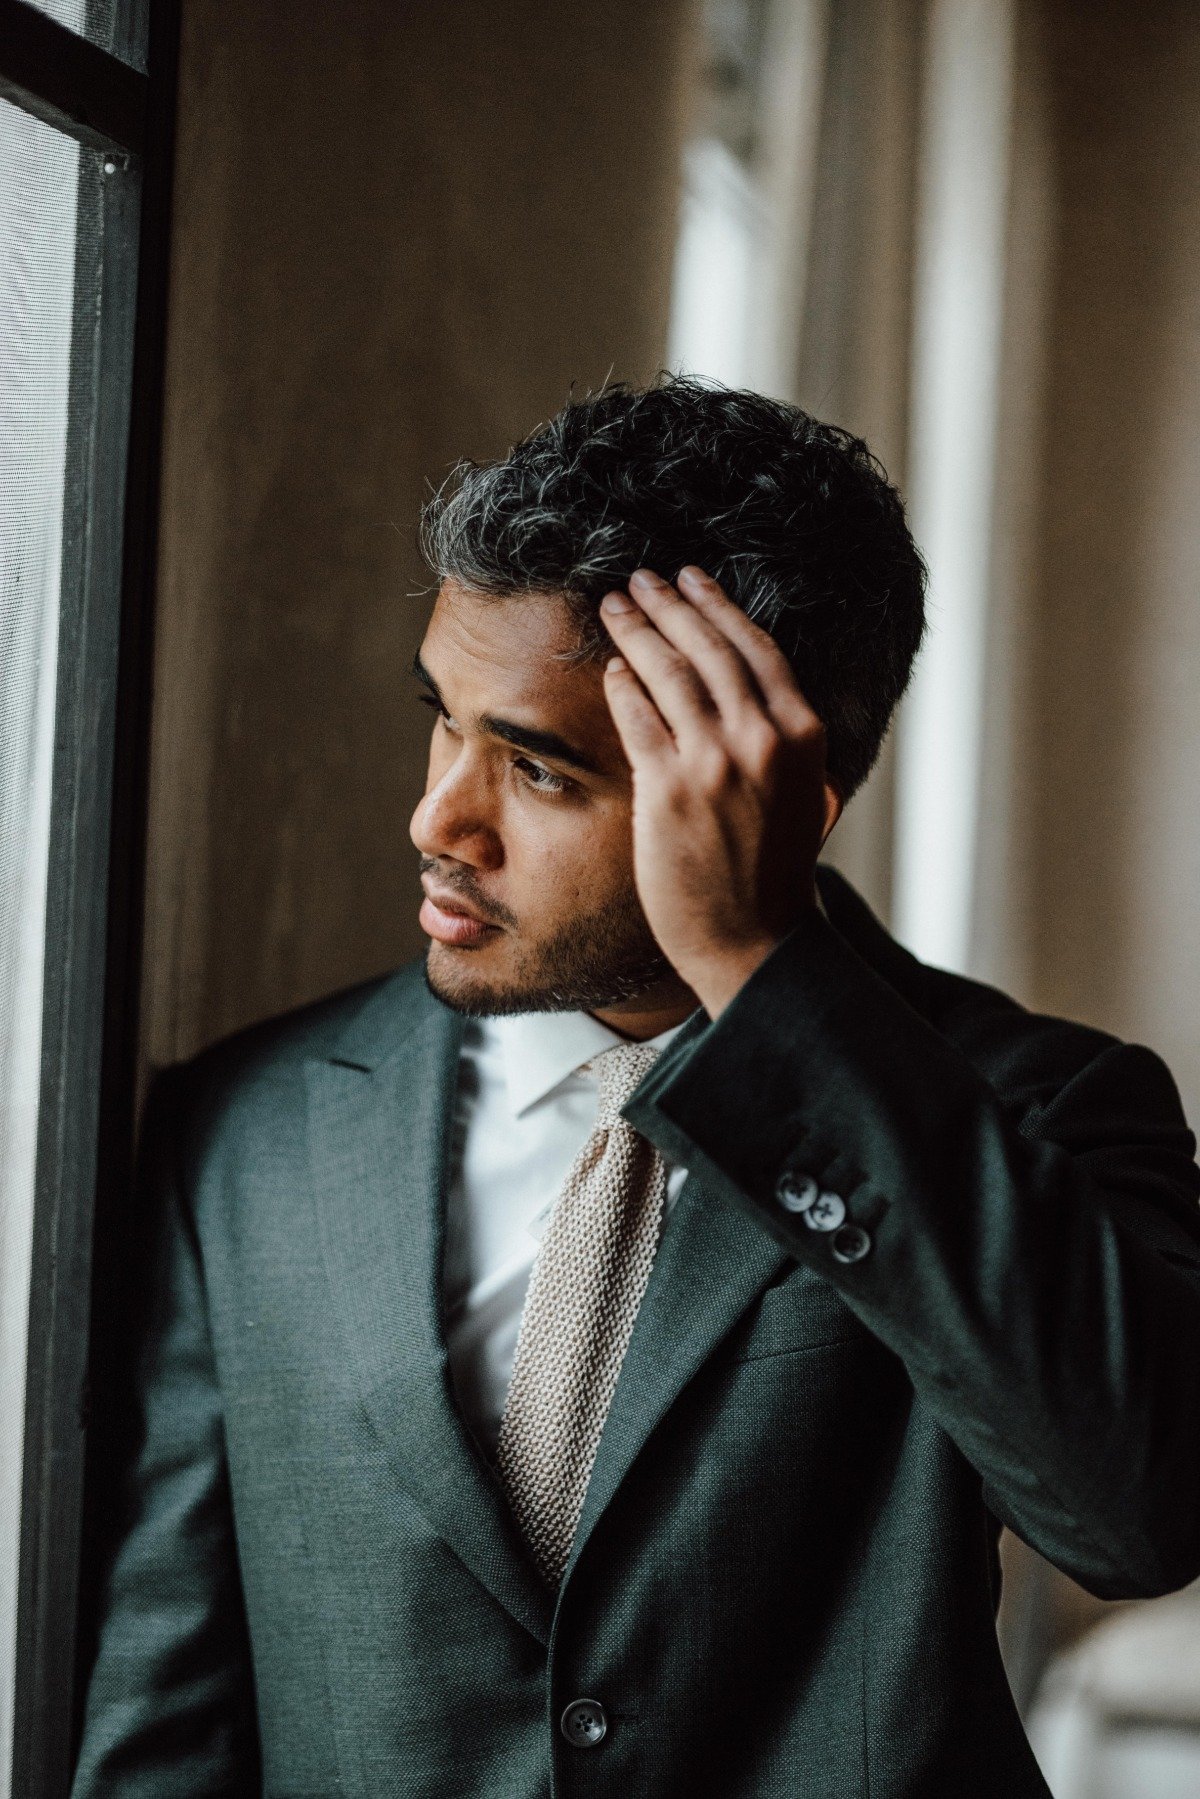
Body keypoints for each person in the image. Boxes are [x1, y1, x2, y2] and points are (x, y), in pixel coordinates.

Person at [72, 377, 1200, 1797]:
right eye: (446, 723)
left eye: (539, 772)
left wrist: (763, 967)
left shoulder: (1037, 1107)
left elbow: (1138, 1516)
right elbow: (161, 1719)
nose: (438, 820)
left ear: (783, 787)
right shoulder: (248, 1132)